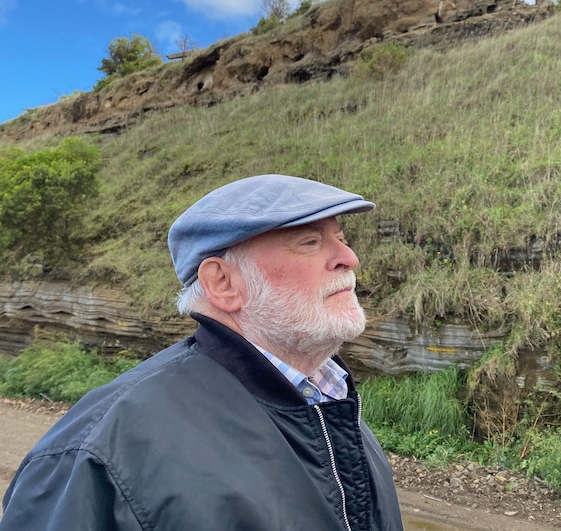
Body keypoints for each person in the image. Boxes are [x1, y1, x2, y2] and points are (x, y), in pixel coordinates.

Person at [1, 174, 404, 530]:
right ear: (224, 283)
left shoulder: (332, 404)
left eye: (341, 239)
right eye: (310, 241)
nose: (349, 259)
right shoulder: (97, 452)